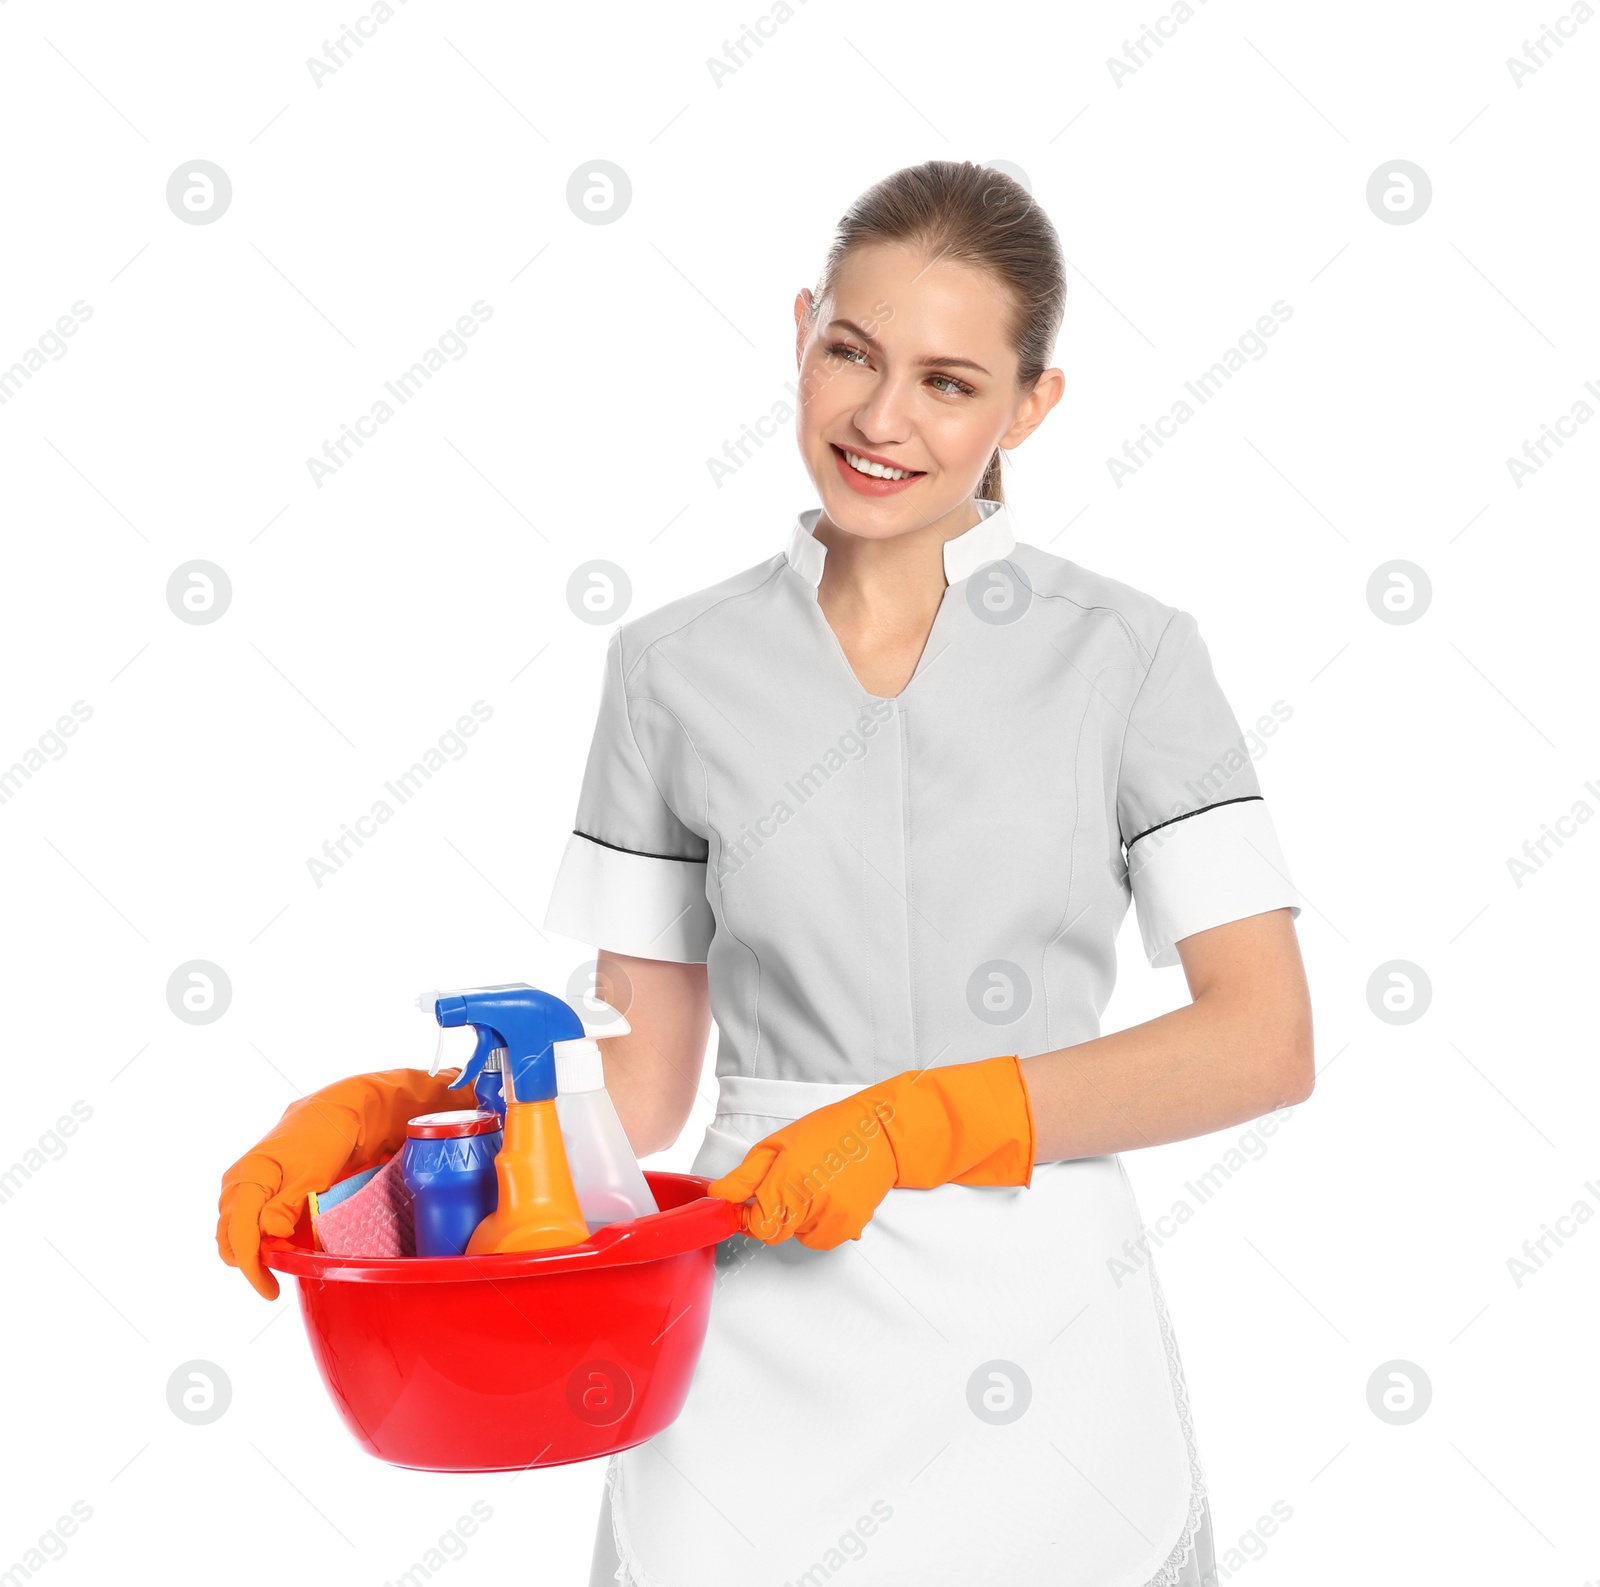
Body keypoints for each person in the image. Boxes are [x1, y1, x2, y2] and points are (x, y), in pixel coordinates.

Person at [218, 160, 1312, 1587]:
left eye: (948, 382)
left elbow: (1264, 1037)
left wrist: (927, 1120)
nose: (881, 419)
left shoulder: (1132, 657)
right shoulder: (672, 669)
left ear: (1029, 408)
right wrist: (417, 1124)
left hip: (1042, 1332)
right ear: (800, 330)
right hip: (750, 1318)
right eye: (852, 353)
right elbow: (646, 1083)